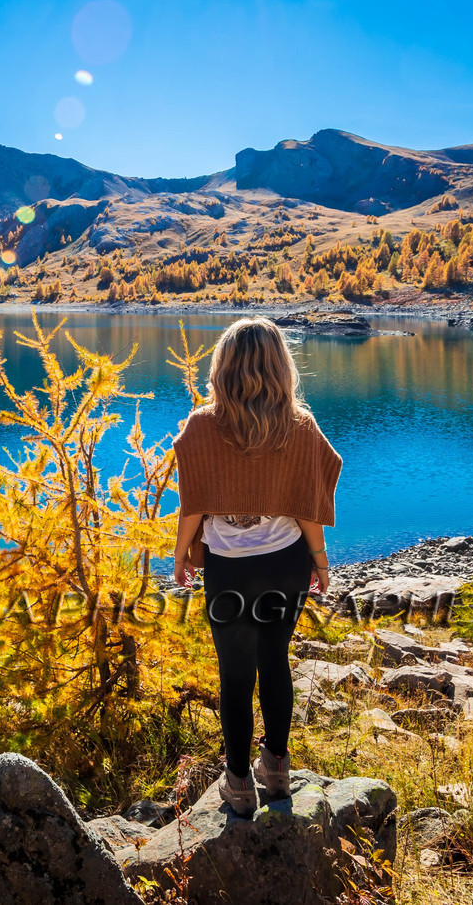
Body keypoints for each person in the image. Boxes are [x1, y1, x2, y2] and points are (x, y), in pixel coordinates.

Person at [171, 316, 342, 817]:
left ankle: (239, 784)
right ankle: (278, 771)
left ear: (223, 367)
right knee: (275, 662)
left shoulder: (204, 424)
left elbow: (193, 505)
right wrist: (319, 560)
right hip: (285, 564)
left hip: (229, 569)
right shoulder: (300, 425)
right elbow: (309, 504)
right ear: (280, 367)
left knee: (236, 673)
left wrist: (181, 554)